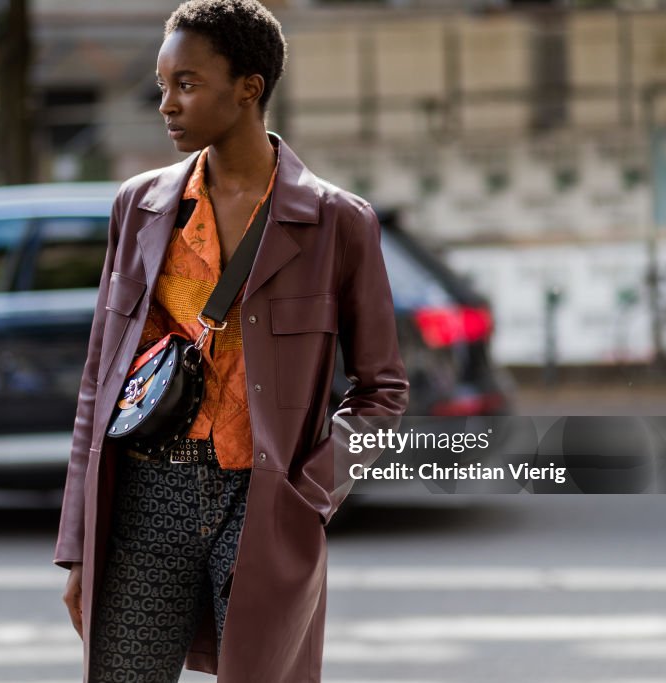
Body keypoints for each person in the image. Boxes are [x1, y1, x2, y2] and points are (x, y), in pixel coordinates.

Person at [54, 1, 409, 681]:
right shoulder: (140, 206)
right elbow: (100, 381)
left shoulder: (337, 222)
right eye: (163, 86)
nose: (167, 104)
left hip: (264, 503)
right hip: (143, 493)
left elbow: (382, 389)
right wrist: (77, 542)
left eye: (186, 84)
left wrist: (310, 494)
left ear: (249, 87)